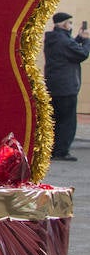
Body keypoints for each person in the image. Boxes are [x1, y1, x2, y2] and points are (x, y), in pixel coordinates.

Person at [45, 11, 90, 161]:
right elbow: (81, 53)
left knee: (55, 120)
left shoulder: (52, 39)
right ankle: (61, 151)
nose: (71, 25)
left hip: (54, 85)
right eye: (69, 23)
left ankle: (52, 149)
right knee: (67, 122)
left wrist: (78, 38)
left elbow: (69, 48)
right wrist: (86, 40)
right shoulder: (64, 41)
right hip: (66, 87)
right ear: (64, 24)